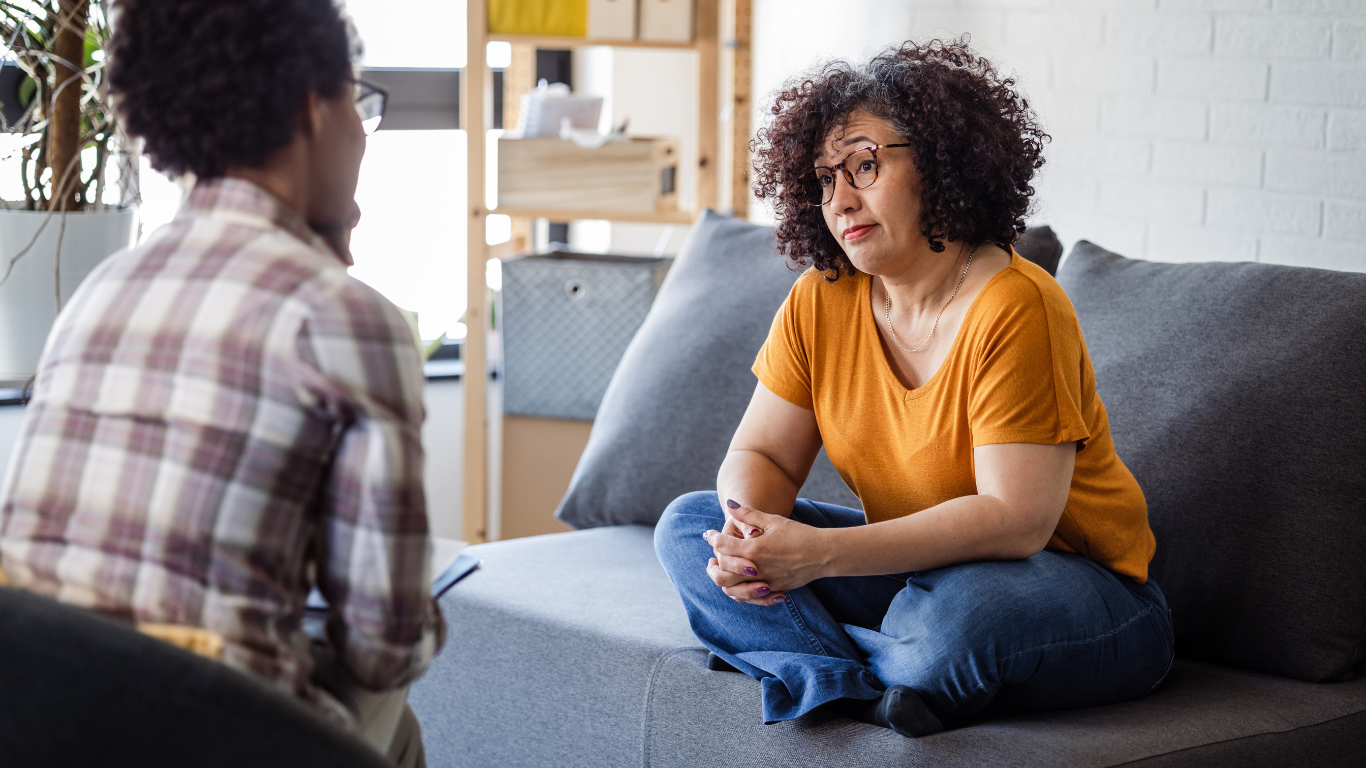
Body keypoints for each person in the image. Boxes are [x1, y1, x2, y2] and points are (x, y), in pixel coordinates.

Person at [654, 39, 1174, 738]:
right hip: (920, 571)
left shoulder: (1018, 306)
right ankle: (861, 685)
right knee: (691, 528)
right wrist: (749, 537)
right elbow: (767, 457)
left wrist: (818, 556)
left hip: (1079, 590)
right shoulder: (822, 299)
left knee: (953, 622)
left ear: (937, 157)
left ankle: (807, 660)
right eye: (823, 179)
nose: (840, 200)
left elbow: (1017, 519)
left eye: (864, 165)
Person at [0, 1, 440, 764]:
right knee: (391, 705)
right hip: (206, 730)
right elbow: (384, 641)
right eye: (359, 102)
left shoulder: (99, 290)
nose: (365, 134)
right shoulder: (342, 316)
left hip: (37, 708)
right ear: (313, 102)